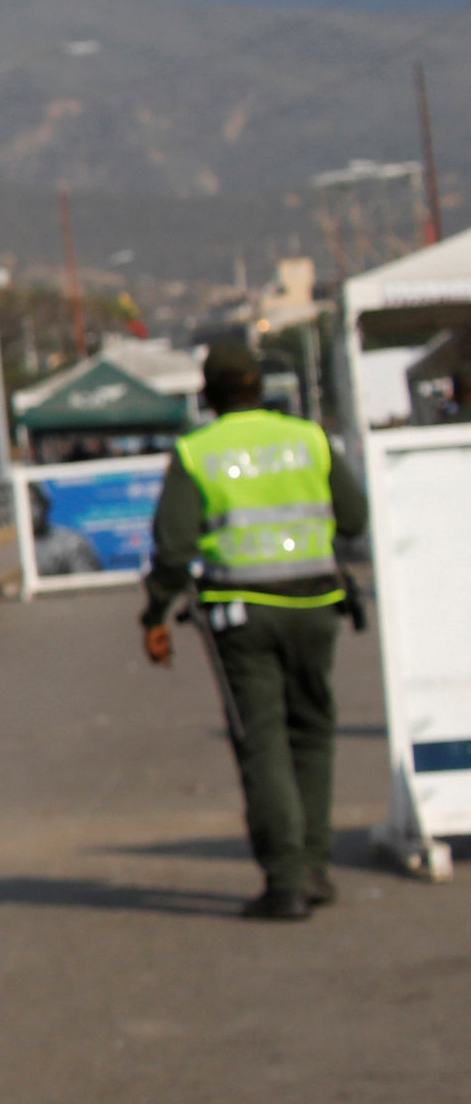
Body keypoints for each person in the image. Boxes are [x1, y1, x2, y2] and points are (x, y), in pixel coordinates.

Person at [140, 335, 368, 920]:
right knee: (313, 734)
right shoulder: (309, 439)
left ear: (208, 395)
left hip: (241, 614)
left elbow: (173, 547)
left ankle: (286, 879)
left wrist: (156, 612)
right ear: (261, 387)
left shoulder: (197, 452)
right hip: (316, 606)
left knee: (262, 741)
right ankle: (316, 867)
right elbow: (355, 515)